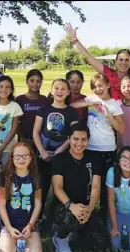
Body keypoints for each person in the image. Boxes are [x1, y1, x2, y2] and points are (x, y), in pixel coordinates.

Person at [71, 73, 125, 219]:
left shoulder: (114, 104)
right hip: (90, 148)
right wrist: (87, 103)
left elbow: (121, 129)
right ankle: (85, 213)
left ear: (108, 85)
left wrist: (109, 115)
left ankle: (104, 215)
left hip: (107, 149)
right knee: (88, 183)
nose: (98, 89)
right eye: (94, 86)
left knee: (106, 185)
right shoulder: (92, 99)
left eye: (100, 85)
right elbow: (73, 105)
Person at [51, 123, 109, 252]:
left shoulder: (94, 159)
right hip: (64, 207)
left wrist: (89, 208)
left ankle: (75, 233)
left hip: (85, 207)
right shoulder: (60, 159)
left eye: (84, 139)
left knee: (102, 246)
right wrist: (71, 206)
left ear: (88, 141)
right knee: (71, 217)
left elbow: (96, 187)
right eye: (75, 139)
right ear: (69, 139)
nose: (79, 143)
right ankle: (60, 237)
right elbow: (57, 188)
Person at [64, 23, 130, 101]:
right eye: (121, 60)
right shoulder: (108, 73)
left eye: (127, 60)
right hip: (109, 113)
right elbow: (87, 56)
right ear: (116, 61)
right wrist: (75, 40)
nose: (123, 63)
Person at [33, 78, 79, 219]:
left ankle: (57, 215)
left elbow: (73, 134)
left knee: (61, 186)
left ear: (68, 92)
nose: (59, 91)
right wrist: (41, 151)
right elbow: (36, 132)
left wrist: (60, 151)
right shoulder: (43, 110)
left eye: (63, 89)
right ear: (51, 91)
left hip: (62, 154)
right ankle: (38, 216)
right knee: (42, 186)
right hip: (44, 154)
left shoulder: (72, 112)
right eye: (56, 88)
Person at [0, 142, 43, 252]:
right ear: (12, 158)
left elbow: (38, 204)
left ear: (31, 158)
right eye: (17, 156)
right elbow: (1, 205)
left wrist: (30, 225)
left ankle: (23, 243)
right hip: (10, 225)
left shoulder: (36, 177)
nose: (21, 159)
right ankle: (13, 242)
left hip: (29, 225)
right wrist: (9, 227)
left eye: (25, 156)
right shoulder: (5, 177)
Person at [16, 69, 48, 148]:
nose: (35, 84)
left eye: (38, 81)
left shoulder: (44, 100)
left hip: (41, 140)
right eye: (32, 81)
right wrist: (22, 138)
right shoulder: (20, 99)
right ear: (27, 81)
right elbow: (16, 122)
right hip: (24, 139)